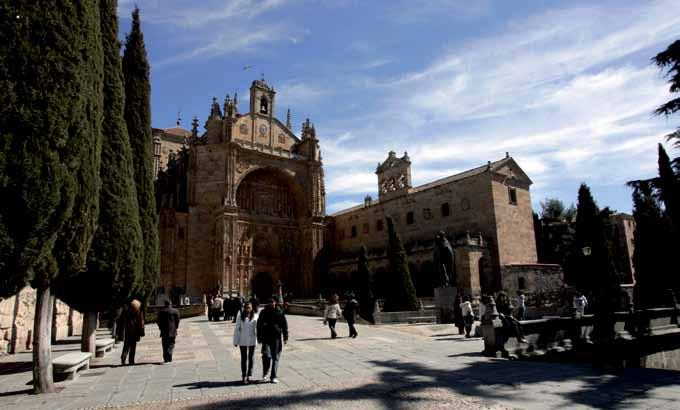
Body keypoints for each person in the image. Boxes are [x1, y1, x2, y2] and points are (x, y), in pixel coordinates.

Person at [257, 298, 288, 384]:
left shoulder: (279, 312)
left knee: (276, 357)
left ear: (275, 303)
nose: (271, 304)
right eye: (270, 303)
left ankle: (273, 376)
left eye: (273, 303)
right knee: (266, 355)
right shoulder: (263, 312)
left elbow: (284, 325)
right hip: (266, 338)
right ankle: (265, 371)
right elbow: (259, 325)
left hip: (277, 338)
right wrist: (259, 337)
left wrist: (285, 337)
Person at [233, 302, 258, 384]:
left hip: (252, 340)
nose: (248, 309)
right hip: (242, 340)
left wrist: (260, 338)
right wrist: (236, 341)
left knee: (251, 358)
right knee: (244, 359)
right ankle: (244, 375)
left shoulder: (255, 316)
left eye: (249, 307)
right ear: (244, 308)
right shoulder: (240, 317)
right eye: (247, 307)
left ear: (252, 308)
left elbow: (258, 328)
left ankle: (249, 375)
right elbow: (237, 329)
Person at [121, 299, 145, 365]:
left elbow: (123, 321)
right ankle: (131, 361)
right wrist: (142, 332)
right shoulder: (139, 312)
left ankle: (123, 356)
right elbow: (141, 323)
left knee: (126, 345)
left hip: (127, 331)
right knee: (133, 347)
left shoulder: (127, 311)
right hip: (135, 332)